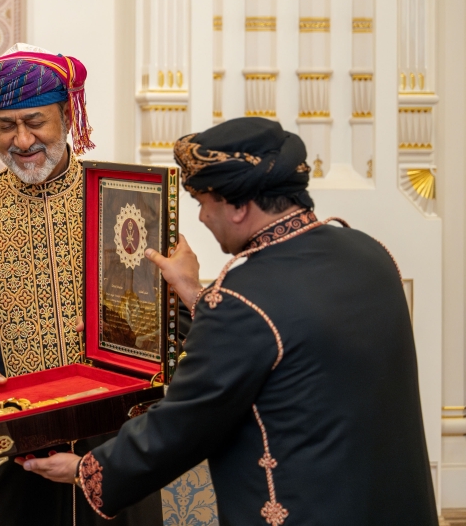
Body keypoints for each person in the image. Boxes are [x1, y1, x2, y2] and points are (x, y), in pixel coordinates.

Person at [22, 117, 439, 526]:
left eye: (204, 202)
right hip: (387, 501)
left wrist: (86, 468)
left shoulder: (242, 295)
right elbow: (286, 341)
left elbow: (181, 425)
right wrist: (190, 292)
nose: (202, 218)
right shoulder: (367, 251)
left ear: (240, 206)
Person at [0, 44, 165, 526]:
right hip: (11, 452)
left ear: (68, 115)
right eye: (6, 126)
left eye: (35, 122)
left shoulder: (125, 198)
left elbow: (172, 316)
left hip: (114, 449)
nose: (22, 140)